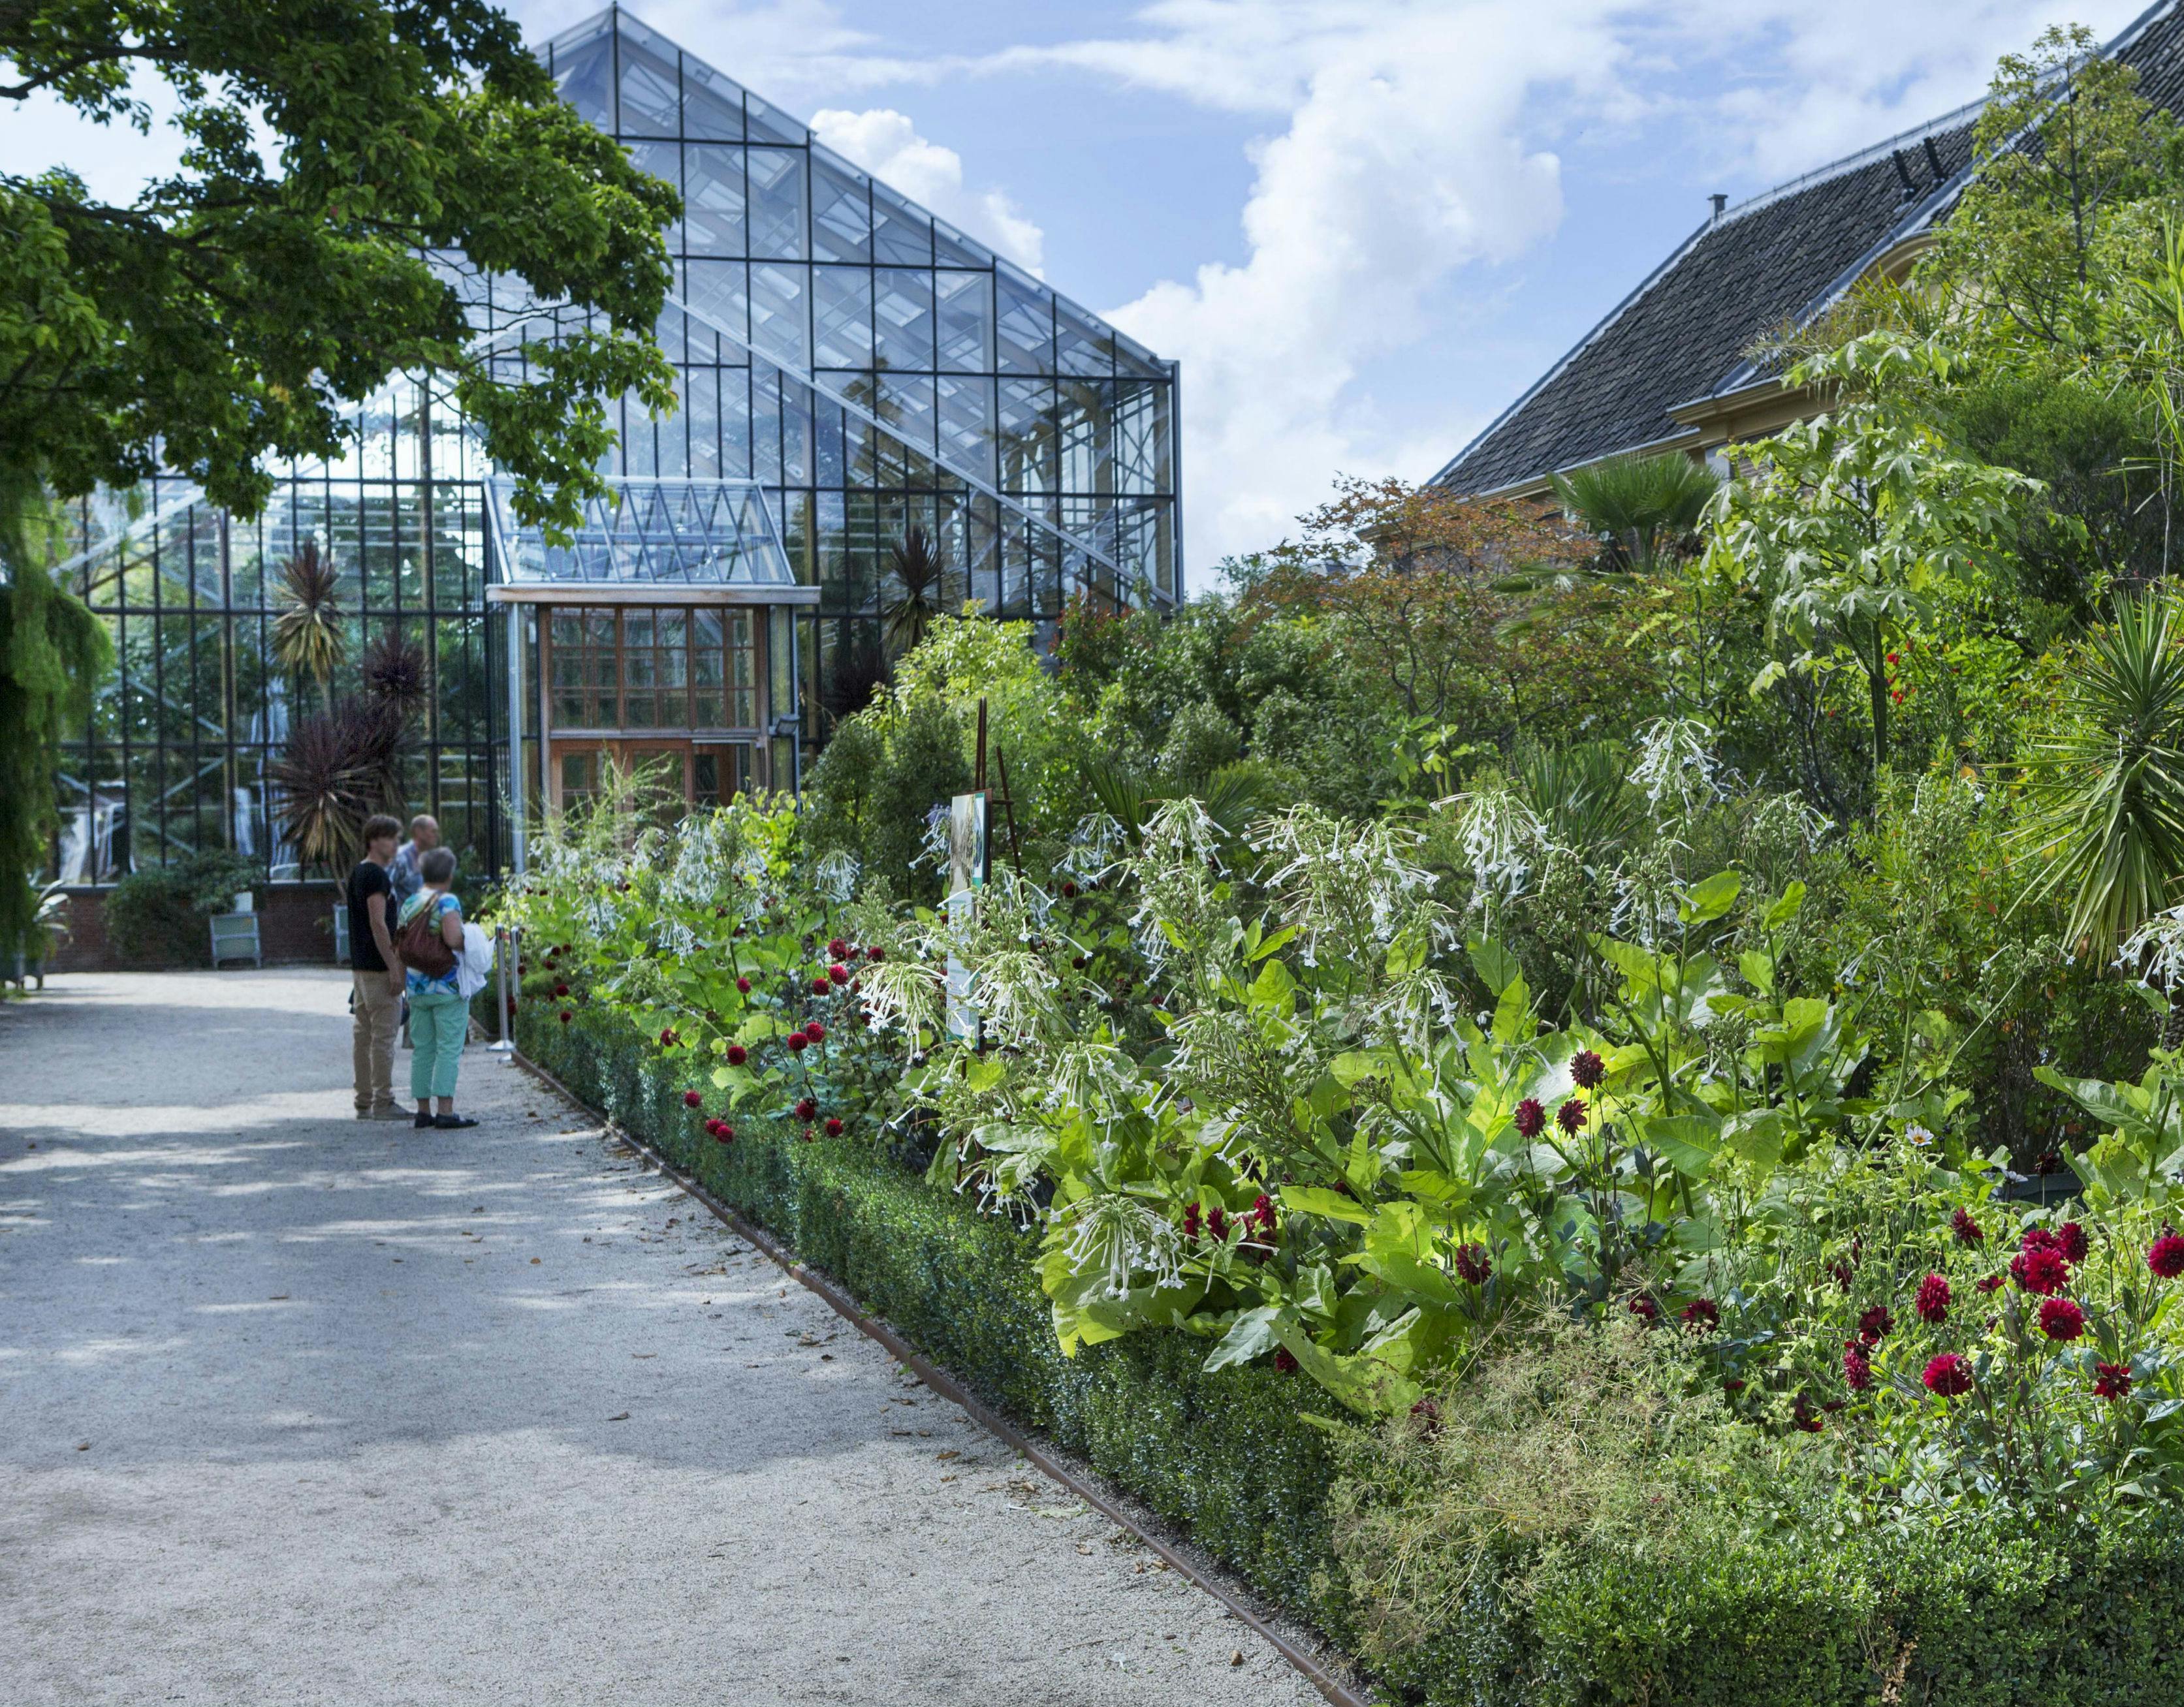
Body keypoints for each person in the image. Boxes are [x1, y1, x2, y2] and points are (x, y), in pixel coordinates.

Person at [395, 846, 477, 1130]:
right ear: (449, 874)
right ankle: (446, 1111)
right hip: (447, 986)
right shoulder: (447, 901)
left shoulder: (409, 903)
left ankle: (422, 1111)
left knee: (423, 1049)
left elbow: (401, 946)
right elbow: (453, 939)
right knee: (448, 1049)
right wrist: (475, 942)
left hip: (417, 988)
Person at [347, 815, 409, 1120]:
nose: (396, 844)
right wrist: (395, 967)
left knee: (364, 1035)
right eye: (390, 838)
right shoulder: (377, 877)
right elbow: (378, 923)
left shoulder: (359, 872)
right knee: (384, 1037)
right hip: (378, 968)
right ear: (374, 840)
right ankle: (384, 1101)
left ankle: (363, 1101)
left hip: (360, 969)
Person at [389, 813, 440, 905]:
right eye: (433, 831)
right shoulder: (400, 858)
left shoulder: (429, 859)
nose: (437, 835)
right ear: (419, 832)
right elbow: (385, 891)